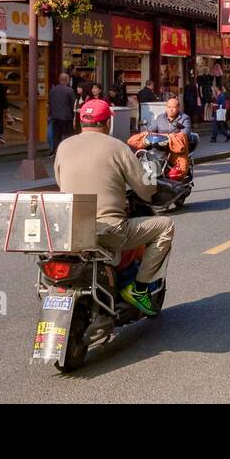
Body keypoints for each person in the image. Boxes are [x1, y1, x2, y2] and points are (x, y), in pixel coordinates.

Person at [55, 99, 172, 318]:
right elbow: (145, 190)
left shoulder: (64, 146)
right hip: (109, 231)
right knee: (165, 226)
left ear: (80, 121)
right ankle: (139, 289)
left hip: (70, 230)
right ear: (108, 122)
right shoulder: (118, 147)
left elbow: (61, 182)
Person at [48, 72, 77, 153]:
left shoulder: (52, 90)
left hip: (55, 116)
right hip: (67, 117)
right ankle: (67, 151)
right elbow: (73, 105)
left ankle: (57, 151)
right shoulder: (70, 91)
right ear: (67, 80)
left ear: (59, 80)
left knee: (56, 136)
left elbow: (50, 103)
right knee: (68, 135)